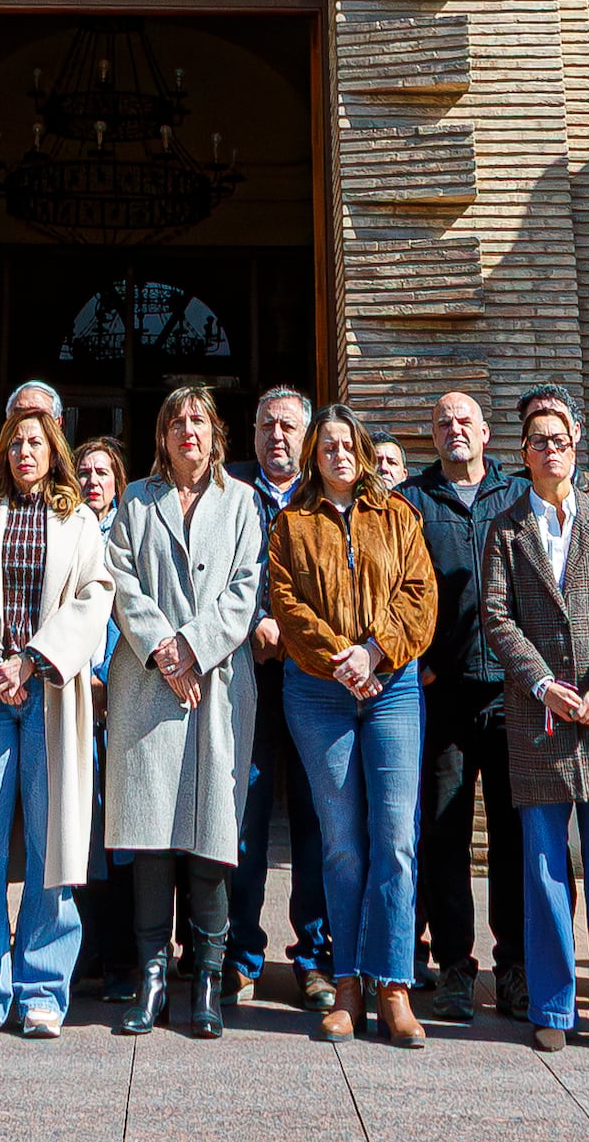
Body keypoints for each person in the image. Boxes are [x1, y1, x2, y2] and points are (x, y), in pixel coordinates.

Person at [0, 405, 119, 1038]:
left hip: (48, 693)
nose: (23, 452)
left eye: (35, 443)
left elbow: (97, 593)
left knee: (52, 845)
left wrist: (34, 659)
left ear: (54, 450)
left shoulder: (80, 520)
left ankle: (43, 985)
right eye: (14, 442)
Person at [261, 401, 433, 1047]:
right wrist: (341, 655)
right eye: (326, 444)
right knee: (341, 841)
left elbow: (420, 593)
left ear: (362, 451)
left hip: (391, 685)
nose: (338, 452)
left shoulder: (399, 515)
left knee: (393, 834)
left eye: (346, 442)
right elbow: (286, 601)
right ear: (314, 455)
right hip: (318, 690)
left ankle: (394, 985)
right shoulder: (291, 522)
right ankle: (348, 983)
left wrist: (375, 650)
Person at [483, 388, 589, 1056]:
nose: (550, 448)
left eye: (560, 437)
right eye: (537, 439)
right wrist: (545, 684)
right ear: (522, 452)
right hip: (538, 716)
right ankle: (553, 1002)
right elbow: (496, 615)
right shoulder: (506, 526)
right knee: (545, 864)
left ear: (576, 444)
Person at [100, 381, 261, 1039]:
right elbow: (119, 578)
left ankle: (208, 983)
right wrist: (164, 649)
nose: (187, 430)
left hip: (218, 686)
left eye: (197, 420)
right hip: (148, 687)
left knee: (209, 839)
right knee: (150, 840)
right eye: (175, 421)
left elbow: (246, 588)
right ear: (162, 437)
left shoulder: (243, 502)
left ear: (214, 433)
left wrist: (193, 647)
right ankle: (152, 977)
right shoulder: (135, 501)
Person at [401, 385, 529, 1020]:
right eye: (443, 420)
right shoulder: (412, 501)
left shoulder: (520, 494)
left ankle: (515, 969)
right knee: (445, 832)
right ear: (433, 436)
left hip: (512, 694)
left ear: (486, 434)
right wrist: (418, 662)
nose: (455, 428)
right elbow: (395, 587)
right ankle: (454, 967)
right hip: (443, 692)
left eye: (466, 420)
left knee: (512, 835)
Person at [224, 382, 335, 1010]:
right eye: (268, 425)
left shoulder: (327, 493)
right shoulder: (231, 490)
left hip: (316, 681)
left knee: (317, 818)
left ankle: (314, 957)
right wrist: (252, 622)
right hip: (248, 677)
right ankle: (239, 954)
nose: (277, 437)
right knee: (247, 816)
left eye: (289, 426)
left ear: (309, 435)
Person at [67, 431, 135, 996]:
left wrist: (110, 678)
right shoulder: (67, 529)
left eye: (102, 473)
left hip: (123, 695)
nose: (92, 481)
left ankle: (123, 958)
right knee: (80, 825)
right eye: (84, 473)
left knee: (122, 830)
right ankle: (83, 950)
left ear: (118, 482)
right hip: (73, 693)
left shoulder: (128, 531)